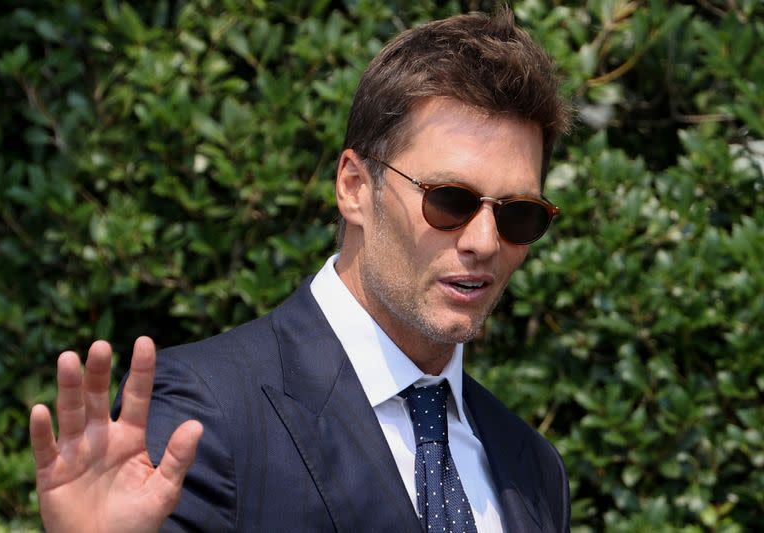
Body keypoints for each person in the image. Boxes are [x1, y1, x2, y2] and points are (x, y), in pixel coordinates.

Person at [30, 7, 571, 533]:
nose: (483, 242)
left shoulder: (532, 467)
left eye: (518, 214)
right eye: (449, 201)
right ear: (355, 187)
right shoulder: (210, 410)